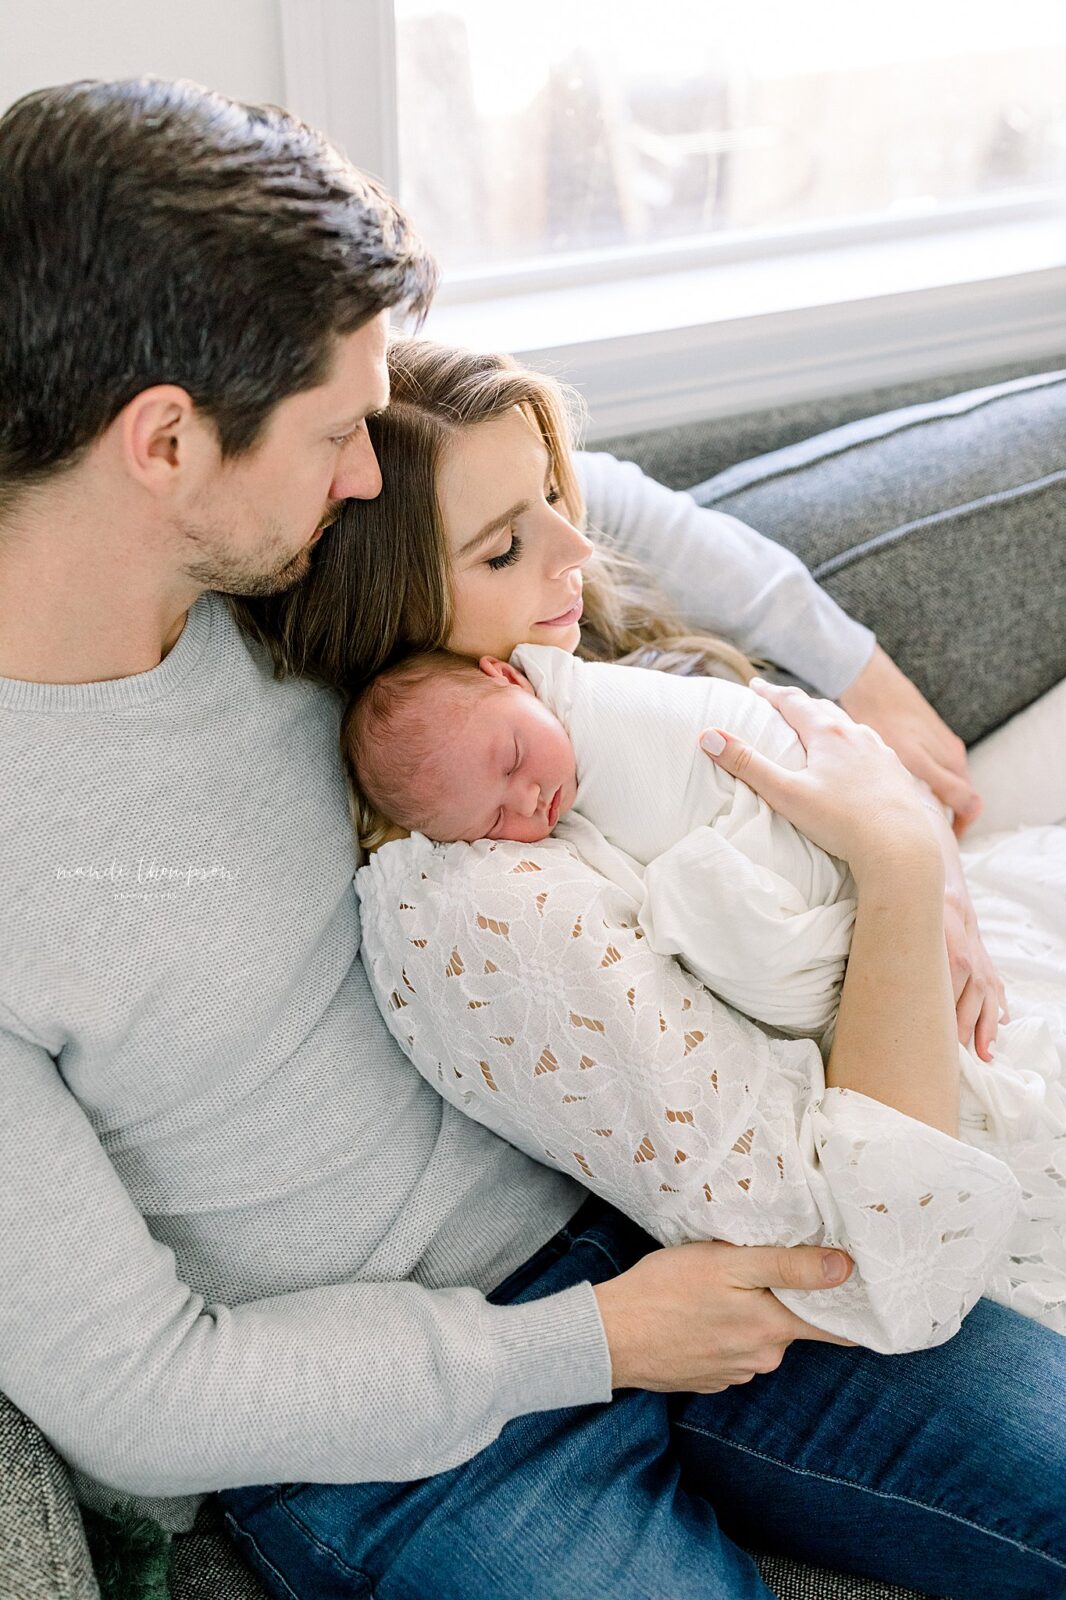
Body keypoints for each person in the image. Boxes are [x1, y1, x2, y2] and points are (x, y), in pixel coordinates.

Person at [1, 78, 1063, 1600]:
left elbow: (596, 494)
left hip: (652, 1202)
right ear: (162, 442)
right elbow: (138, 1395)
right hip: (399, 1442)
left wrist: (872, 746)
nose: (368, 476)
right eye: (333, 436)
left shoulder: (278, 583)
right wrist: (601, 1340)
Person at [346, 637, 1066, 1352]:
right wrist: (902, 857)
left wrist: (927, 863)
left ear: (507, 675)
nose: (530, 801)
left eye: (510, 760)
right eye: (496, 822)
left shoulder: (616, 709)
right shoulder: (480, 905)